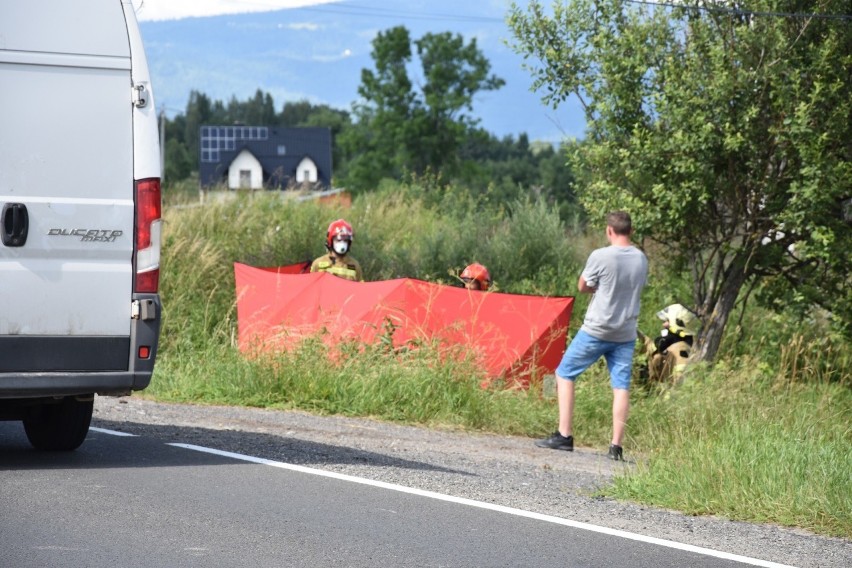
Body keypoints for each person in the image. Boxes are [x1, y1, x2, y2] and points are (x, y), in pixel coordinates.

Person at [535, 211, 648, 461]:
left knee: (565, 373)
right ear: (631, 231)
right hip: (626, 331)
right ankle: (616, 446)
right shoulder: (641, 259)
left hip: (597, 328)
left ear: (609, 231)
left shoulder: (600, 255)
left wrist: (600, 286)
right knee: (621, 386)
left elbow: (583, 286)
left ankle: (564, 435)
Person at [642, 303, 702, 384]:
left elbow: (659, 345)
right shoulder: (683, 342)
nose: (663, 324)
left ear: (676, 323)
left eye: (666, 321)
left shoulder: (676, 345)